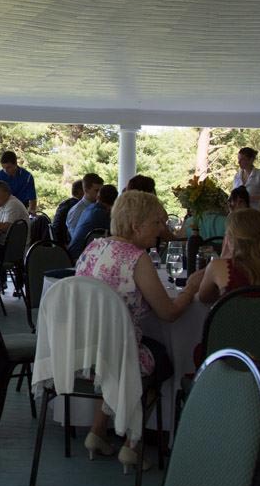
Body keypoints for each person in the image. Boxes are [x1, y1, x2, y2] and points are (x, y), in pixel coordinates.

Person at [74, 190, 199, 468]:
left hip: (84, 354)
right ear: (136, 225)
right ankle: (133, 444)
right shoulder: (136, 258)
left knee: (118, 351)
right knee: (162, 361)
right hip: (117, 356)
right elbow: (168, 313)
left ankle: (97, 432)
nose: (162, 230)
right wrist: (191, 288)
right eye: (157, 223)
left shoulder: (93, 248)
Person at [197, 209, 260, 304]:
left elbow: (204, 298)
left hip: (234, 324)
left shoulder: (219, 267)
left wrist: (224, 257)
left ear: (230, 239)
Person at [68, 184, 117, 260]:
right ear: (114, 201)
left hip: (72, 254)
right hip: (80, 257)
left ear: (98, 197)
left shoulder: (89, 208)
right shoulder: (101, 214)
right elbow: (117, 234)